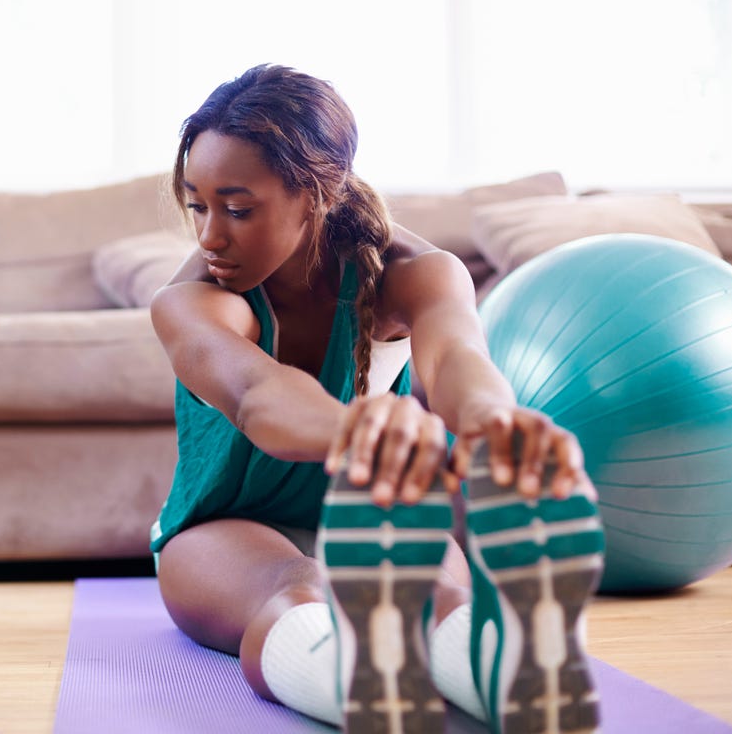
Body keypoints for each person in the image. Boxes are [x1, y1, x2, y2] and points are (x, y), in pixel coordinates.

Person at [148, 64, 605, 733]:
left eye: (238, 209)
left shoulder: (415, 273)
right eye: (198, 205)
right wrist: (362, 432)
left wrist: (495, 424)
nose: (210, 235)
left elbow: (455, 360)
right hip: (222, 527)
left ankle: (519, 683)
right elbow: (258, 395)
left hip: (373, 509)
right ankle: (367, 688)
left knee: (444, 595)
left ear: (318, 193)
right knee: (297, 589)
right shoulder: (190, 302)